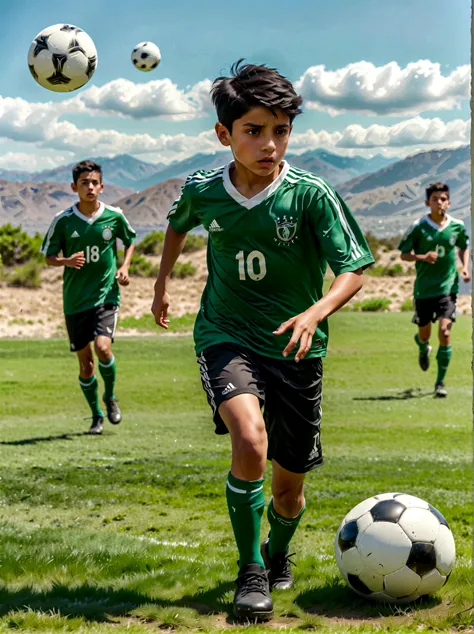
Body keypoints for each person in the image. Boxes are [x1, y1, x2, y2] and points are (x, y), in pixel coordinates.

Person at [151, 60, 374, 621]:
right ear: (224, 134)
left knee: (288, 490)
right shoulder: (204, 190)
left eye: (281, 130)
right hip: (225, 334)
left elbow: (353, 268)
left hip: (299, 350)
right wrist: (161, 285)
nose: (269, 143)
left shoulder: (311, 194)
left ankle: (277, 551)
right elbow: (178, 223)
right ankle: (251, 570)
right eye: (254, 130)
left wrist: (315, 310)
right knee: (249, 439)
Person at [41, 159, 136, 434]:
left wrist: (125, 266)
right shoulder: (63, 220)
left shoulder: (114, 216)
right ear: (74, 187)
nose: (90, 187)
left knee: (103, 348)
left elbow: (129, 240)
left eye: (94, 182)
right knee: (86, 365)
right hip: (75, 302)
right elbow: (48, 257)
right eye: (84, 183)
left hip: (106, 295)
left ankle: (110, 397)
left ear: (102, 186)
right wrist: (65, 261)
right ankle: (96, 415)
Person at [398, 182, 470, 398]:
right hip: (423, 290)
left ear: (449, 202)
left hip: (448, 288)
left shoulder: (457, 225)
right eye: (435, 199)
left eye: (443, 199)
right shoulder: (419, 226)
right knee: (425, 333)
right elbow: (403, 253)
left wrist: (465, 268)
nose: (439, 202)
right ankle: (422, 347)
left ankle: (440, 382)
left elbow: (463, 246)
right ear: (427, 202)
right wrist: (423, 257)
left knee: (445, 333)